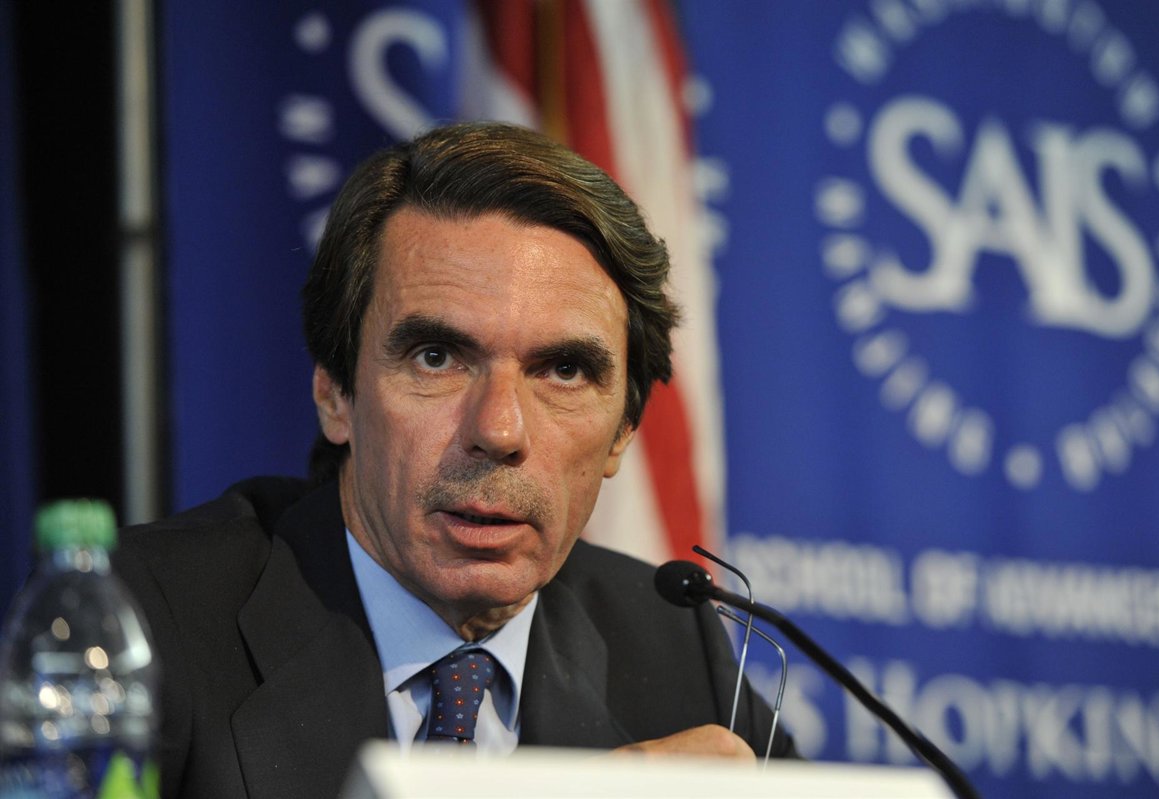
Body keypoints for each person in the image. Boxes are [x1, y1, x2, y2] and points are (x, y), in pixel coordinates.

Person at [113, 121, 794, 799]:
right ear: (335, 394)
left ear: (623, 431)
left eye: (562, 370)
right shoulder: (147, 622)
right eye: (436, 358)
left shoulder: (675, 648)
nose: (498, 429)